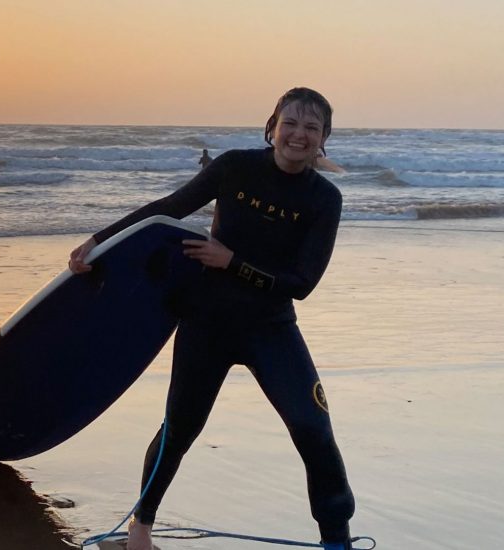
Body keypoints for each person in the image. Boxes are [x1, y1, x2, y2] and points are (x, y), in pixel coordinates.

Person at [69, 87, 354, 550]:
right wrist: (99, 241)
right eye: (291, 123)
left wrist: (232, 261)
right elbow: (168, 209)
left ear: (323, 138)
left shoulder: (325, 198)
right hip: (207, 323)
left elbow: (302, 282)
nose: (299, 134)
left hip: (272, 328)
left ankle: (337, 542)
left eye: (312, 127)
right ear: (272, 127)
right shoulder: (236, 167)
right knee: (179, 428)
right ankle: (139, 533)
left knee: (313, 428)